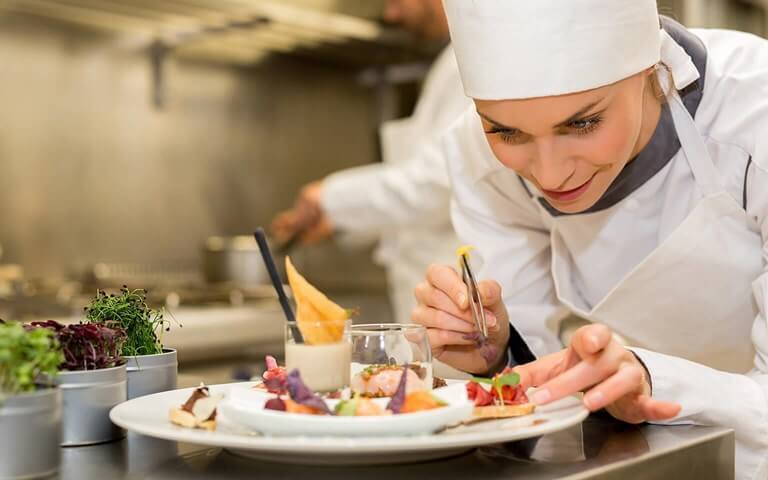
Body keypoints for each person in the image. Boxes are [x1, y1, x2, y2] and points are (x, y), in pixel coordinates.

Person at [412, 1, 768, 478]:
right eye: (506, 132)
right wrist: (497, 352)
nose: (551, 173)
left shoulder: (754, 113)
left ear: (648, 68)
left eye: (582, 123)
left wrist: (652, 378)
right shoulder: (476, 158)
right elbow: (534, 407)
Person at [271, 0, 469, 325]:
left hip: (458, 309)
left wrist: (330, 199)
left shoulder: (471, 58)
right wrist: (336, 216)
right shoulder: (452, 60)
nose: (390, 15)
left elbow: (440, 181)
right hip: (437, 306)